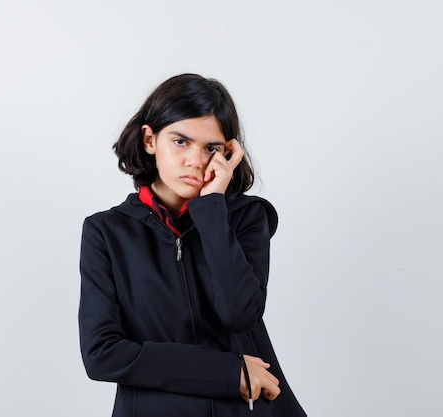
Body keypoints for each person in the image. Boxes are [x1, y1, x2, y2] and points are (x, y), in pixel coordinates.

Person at [78, 73, 306, 417]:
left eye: (211, 148)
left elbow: (240, 313)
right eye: (181, 142)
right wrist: (228, 372)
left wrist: (212, 209)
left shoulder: (246, 218)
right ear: (150, 139)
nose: (195, 161)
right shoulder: (107, 232)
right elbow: (102, 355)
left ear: (228, 153)